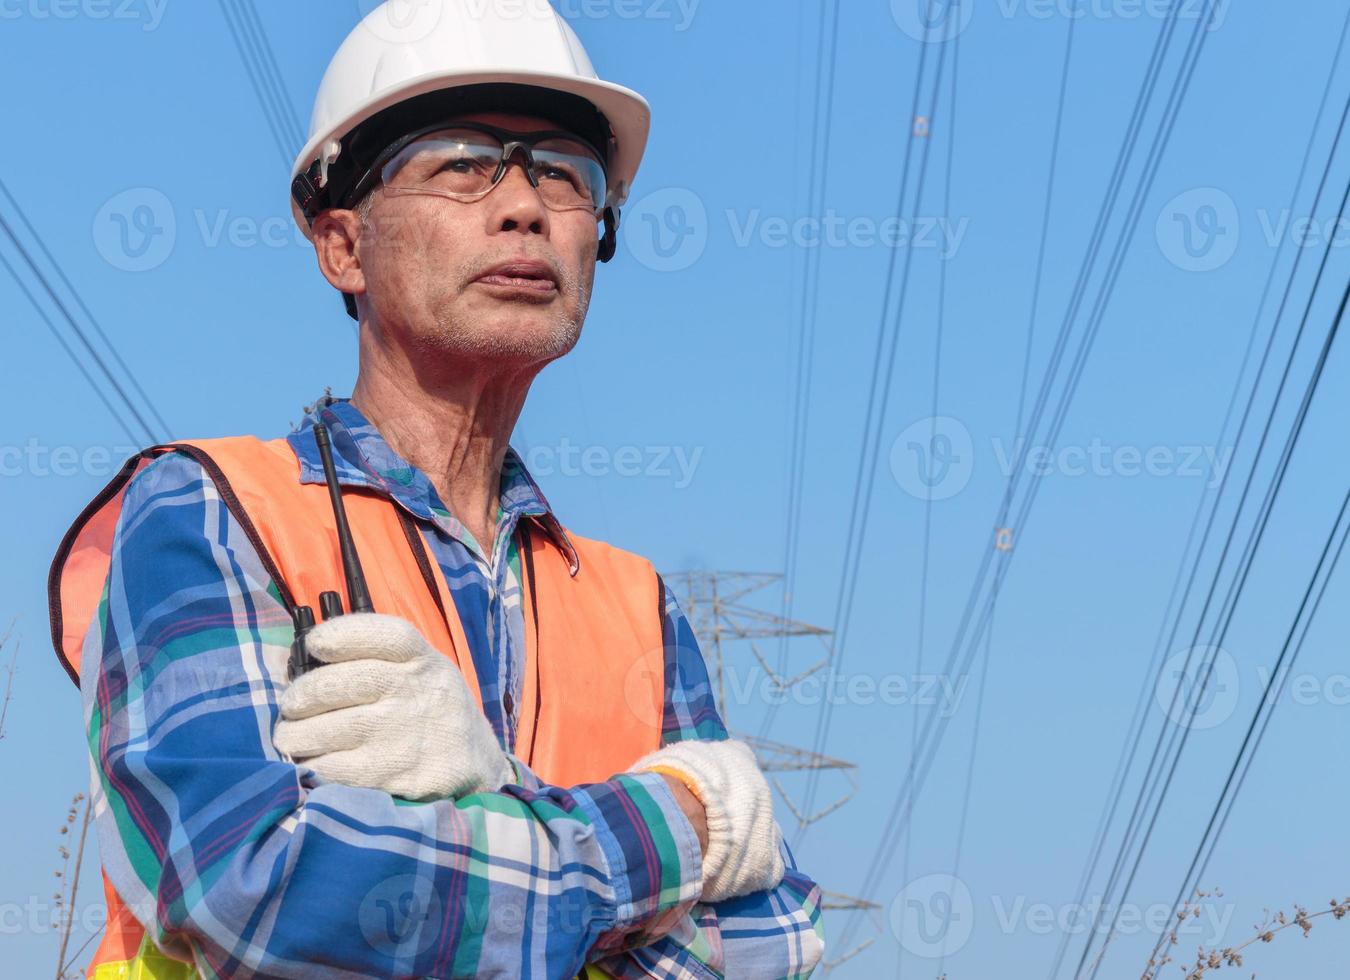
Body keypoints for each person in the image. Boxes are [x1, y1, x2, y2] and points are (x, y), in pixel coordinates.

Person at [48, 2, 824, 977]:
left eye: (564, 173)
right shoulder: (213, 512)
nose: (525, 205)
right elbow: (255, 891)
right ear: (342, 245)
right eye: (464, 162)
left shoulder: (635, 607)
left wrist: (501, 791)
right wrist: (672, 825)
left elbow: (773, 942)